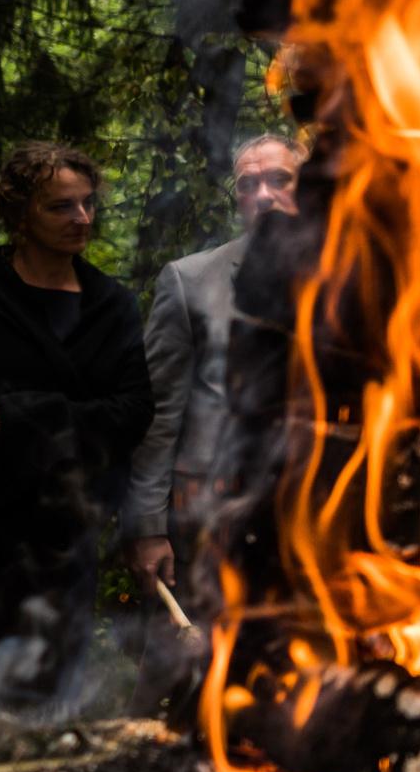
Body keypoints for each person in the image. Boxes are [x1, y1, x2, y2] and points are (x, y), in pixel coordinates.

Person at [0, 142, 156, 714]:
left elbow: (133, 412)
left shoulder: (112, 305)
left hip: (70, 537)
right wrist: (83, 416)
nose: (81, 219)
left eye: (87, 204)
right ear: (18, 214)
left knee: (48, 707)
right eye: (61, 207)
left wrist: (18, 415)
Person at [123, 133, 304, 602]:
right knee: (198, 663)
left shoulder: (352, 279)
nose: (263, 195)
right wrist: (146, 526)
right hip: (210, 516)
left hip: (317, 515)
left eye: (280, 180)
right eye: (248, 185)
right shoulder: (190, 280)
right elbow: (157, 413)